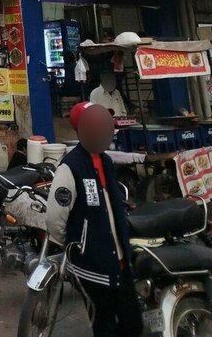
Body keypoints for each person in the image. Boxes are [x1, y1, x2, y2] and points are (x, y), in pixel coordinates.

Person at [46, 101, 143, 337]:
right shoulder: (70, 167)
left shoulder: (106, 161)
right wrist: (77, 245)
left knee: (132, 323)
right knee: (104, 325)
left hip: (120, 262)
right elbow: (55, 218)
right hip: (92, 267)